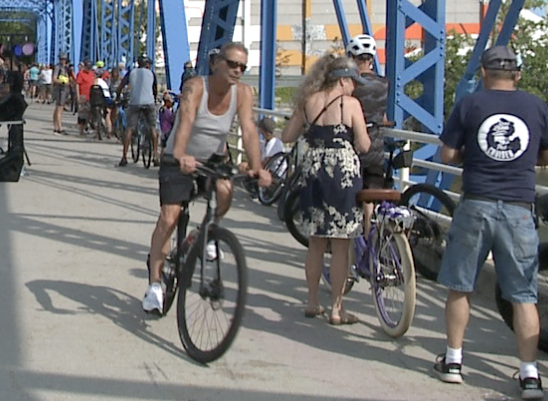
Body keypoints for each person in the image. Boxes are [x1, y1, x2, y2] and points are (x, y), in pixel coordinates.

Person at [432, 45, 548, 401]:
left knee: (461, 286)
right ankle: (530, 375)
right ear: (517, 74)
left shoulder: (470, 104)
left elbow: (447, 153)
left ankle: (454, 361)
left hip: (476, 203)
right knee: (524, 295)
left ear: (484, 74)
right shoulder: (535, 105)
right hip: (519, 208)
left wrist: (471, 154)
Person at [142, 42, 271, 313]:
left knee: (225, 191)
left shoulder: (243, 93)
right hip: (179, 157)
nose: (237, 71)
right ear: (215, 63)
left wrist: (258, 167)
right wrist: (181, 154)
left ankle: (202, 235)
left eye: (242, 67)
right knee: (169, 217)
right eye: (232, 64)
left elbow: (248, 129)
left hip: (213, 159)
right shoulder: (196, 87)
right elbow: (186, 120)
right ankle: (154, 284)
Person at [280, 53, 371, 325]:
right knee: (341, 244)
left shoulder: (308, 101)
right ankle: (336, 309)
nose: (355, 87)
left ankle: (312, 301)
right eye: (353, 82)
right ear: (342, 80)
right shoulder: (350, 104)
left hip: (314, 169)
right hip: (342, 172)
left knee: (316, 241)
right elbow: (364, 144)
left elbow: (287, 136)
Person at [346, 34, 390, 188]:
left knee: (349, 189)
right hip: (375, 147)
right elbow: (383, 117)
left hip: (352, 145)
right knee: (372, 190)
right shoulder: (384, 83)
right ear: (371, 59)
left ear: (352, 58)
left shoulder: (349, 83)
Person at [117, 55, 159, 167]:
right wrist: (154, 99)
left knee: (130, 129)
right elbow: (155, 89)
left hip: (134, 103)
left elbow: (121, 86)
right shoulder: (151, 73)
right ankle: (155, 156)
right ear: (147, 64)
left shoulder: (131, 72)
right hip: (149, 103)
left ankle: (124, 157)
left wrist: (117, 97)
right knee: (153, 127)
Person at [75, 62, 96, 136]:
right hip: (83, 96)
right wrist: (78, 96)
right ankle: (81, 130)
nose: (89, 69)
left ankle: (85, 127)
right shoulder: (81, 74)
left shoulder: (92, 74)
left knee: (89, 113)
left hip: (91, 96)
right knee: (82, 114)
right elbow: (77, 84)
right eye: (88, 67)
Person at [52, 62, 71, 134]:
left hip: (64, 90)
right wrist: (62, 82)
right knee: (60, 108)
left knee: (58, 108)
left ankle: (56, 127)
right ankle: (59, 127)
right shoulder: (58, 67)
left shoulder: (66, 68)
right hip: (60, 90)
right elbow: (54, 79)